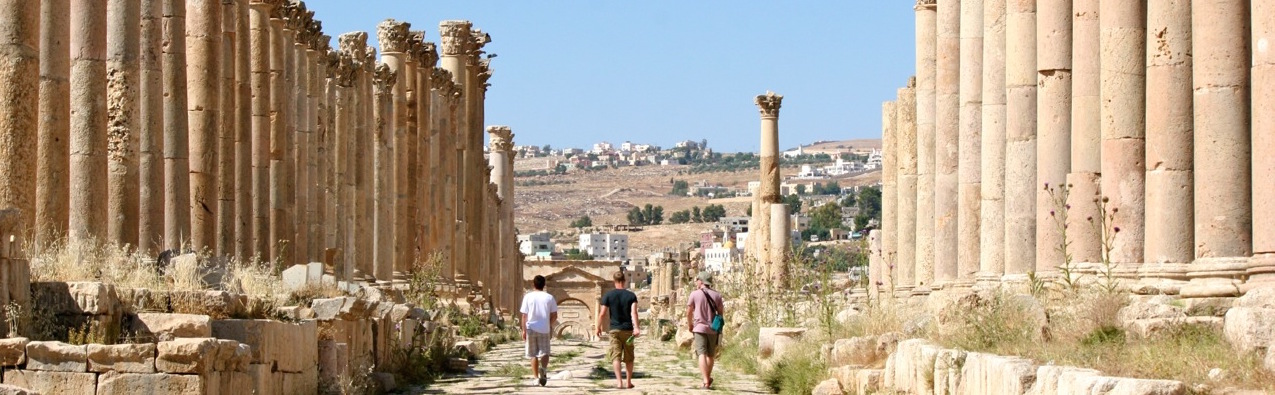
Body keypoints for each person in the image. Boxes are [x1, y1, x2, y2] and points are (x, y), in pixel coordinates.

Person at [597, 270, 640, 389]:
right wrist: (636, 327)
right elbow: (634, 313)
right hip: (628, 330)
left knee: (616, 356)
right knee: (629, 357)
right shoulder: (631, 295)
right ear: (624, 281)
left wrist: (598, 327)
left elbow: (602, 314)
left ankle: (619, 382)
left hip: (614, 330)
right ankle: (629, 382)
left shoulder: (608, 295)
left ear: (614, 281)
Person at [687, 270, 725, 389]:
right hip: (713, 328)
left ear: (701, 281)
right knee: (710, 355)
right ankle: (707, 378)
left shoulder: (694, 294)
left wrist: (690, 325)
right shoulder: (717, 295)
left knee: (701, 354)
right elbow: (721, 313)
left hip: (699, 327)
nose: (696, 282)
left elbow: (689, 312)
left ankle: (705, 381)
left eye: (697, 280)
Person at [520, 275, 558, 386]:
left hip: (530, 328)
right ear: (544, 285)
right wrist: (548, 324)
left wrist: (523, 330)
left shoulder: (528, 297)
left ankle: (536, 377)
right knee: (545, 351)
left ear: (533, 284)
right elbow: (555, 315)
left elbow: (524, 315)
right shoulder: (549, 297)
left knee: (533, 354)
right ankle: (544, 369)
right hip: (544, 329)